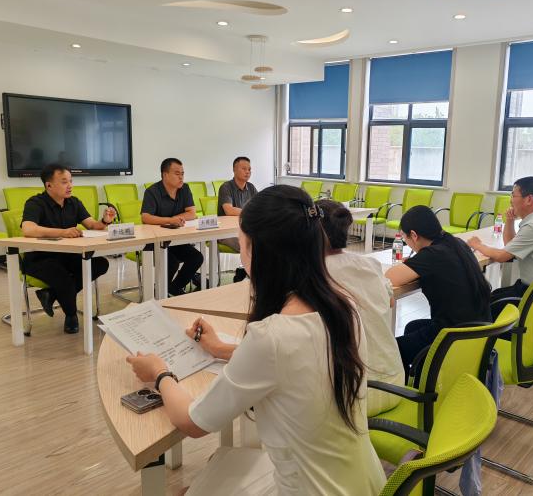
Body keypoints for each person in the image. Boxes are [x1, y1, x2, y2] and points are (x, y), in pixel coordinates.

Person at [127, 185, 386, 495]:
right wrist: (220, 348)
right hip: (364, 482)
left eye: (241, 244)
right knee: (219, 465)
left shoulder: (271, 337)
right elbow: (297, 361)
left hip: (312, 489)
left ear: (259, 253)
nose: (240, 253)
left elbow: (191, 422)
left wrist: (159, 373)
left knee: (191, 486)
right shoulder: (344, 307)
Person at [316, 199, 405, 416]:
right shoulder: (370, 264)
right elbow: (390, 301)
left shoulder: (314, 273)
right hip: (395, 382)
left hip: (355, 394)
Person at [386, 206, 492, 375]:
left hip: (453, 333)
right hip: (479, 328)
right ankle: (423, 375)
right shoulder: (455, 243)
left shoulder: (432, 254)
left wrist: (413, 264)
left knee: (393, 350)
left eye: (405, 238)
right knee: (413, 327)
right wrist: (415, 264)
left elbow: (389, 278)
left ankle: (409, 385)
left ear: (414, 235)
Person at [21, 164, 115, 333]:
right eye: (64, 182)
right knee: (62, 276)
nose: (70, 185)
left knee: (100, 264)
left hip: (68, 255)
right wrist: (63, 232)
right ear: (49, 185)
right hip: (39, 258)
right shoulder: (35, 203)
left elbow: (92, 225)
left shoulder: (74, 202)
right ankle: (71, 315)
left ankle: (51, 294)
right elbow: (28, 229)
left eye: (71, 181)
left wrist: (104, 221)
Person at [468, 176, 533, 319]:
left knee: (484, 306)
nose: (510, 200)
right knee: (491, 296)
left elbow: (502, 256)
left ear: (529, 199)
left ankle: (490, 332)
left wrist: (478, 245)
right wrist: (509, 220)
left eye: (513, 195)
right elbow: (510, 247)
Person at [141, 158, 203, 296]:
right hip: (155, 242)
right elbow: (145, 217)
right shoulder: (152, 191)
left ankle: (174, 288)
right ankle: (160, 292)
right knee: (171, 262)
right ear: (165, 175)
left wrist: (176, 219)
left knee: (196, 257)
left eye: (182, 173)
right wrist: (170, 220)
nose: (181, 177)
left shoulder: (184, 188)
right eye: (177, 173)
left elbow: (192, 213)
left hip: (176, 239)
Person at [216, 156, 257, 253]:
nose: (247, 172)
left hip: (244, 229)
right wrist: (250, 212)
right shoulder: (226, 187)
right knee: (247, 245)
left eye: (249, 169)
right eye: (244, 169)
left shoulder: (251, 187)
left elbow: (259, 207)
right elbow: (229, 210)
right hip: (226, 232)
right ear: (234, 170)